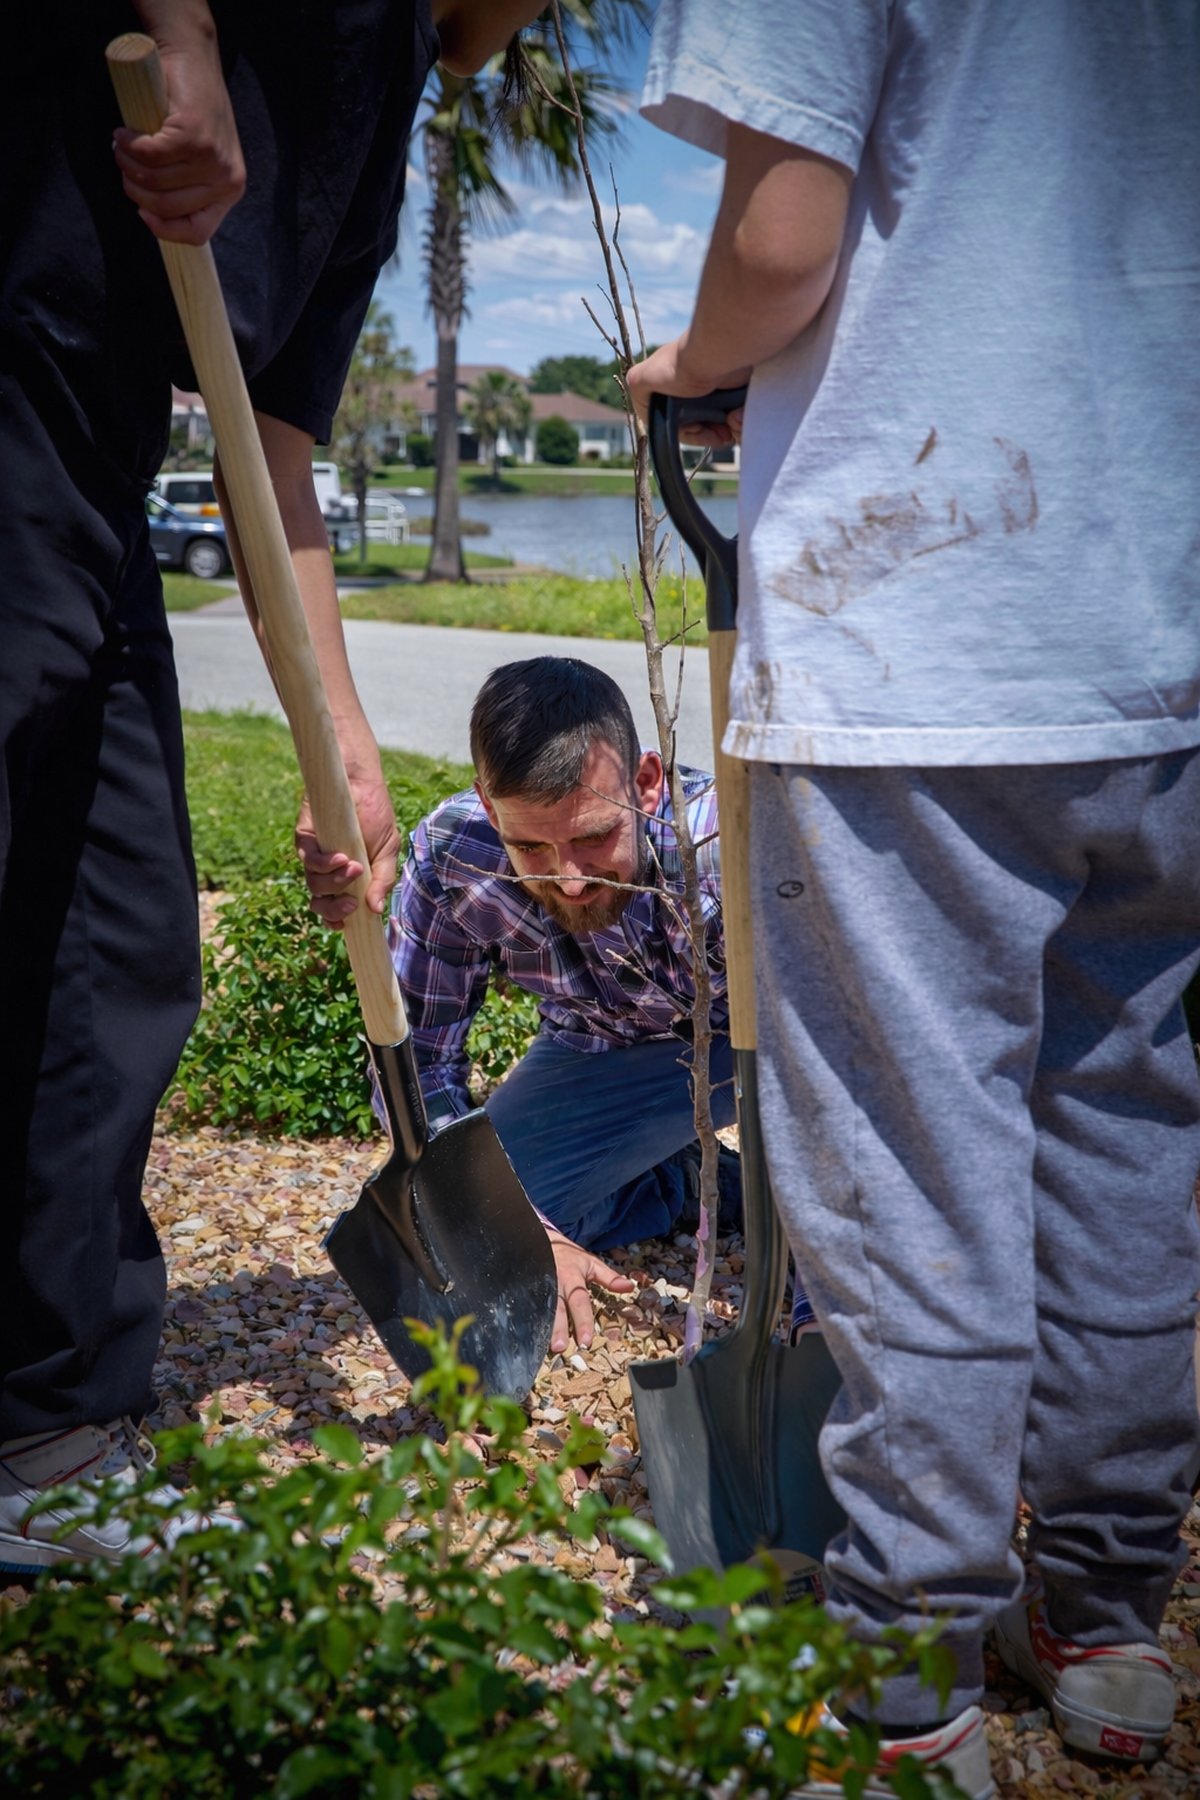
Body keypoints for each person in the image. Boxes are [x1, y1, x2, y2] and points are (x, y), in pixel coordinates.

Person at [629, 4, 1200, 1797]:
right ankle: (1109, 1629)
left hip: (923, 641)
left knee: (913, 1156)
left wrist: (700, 359)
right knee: (1130, 1137)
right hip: (1161, 633)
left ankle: (909, 1662)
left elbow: (786, 233)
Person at [0, 0, 545, 1575]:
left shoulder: (390, 102)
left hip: (95, 448)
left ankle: (48, 1417)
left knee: (120, 928)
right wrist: (178, 27)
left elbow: (275, 443)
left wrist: (346, 738)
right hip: (13, 347)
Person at [386, 655, 756, 1355]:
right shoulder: (453, 859)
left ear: (647, 784)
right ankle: (679, 1182)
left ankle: (764, 1183)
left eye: (593, 838)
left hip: (768, 1056)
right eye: (530, 845)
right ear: (489, 807)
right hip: (602, 1057)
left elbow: (853, 1045)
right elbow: (417, 1072)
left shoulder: (728, 842)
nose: (572, 880)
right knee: (454, 1241)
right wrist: (517, 1221)